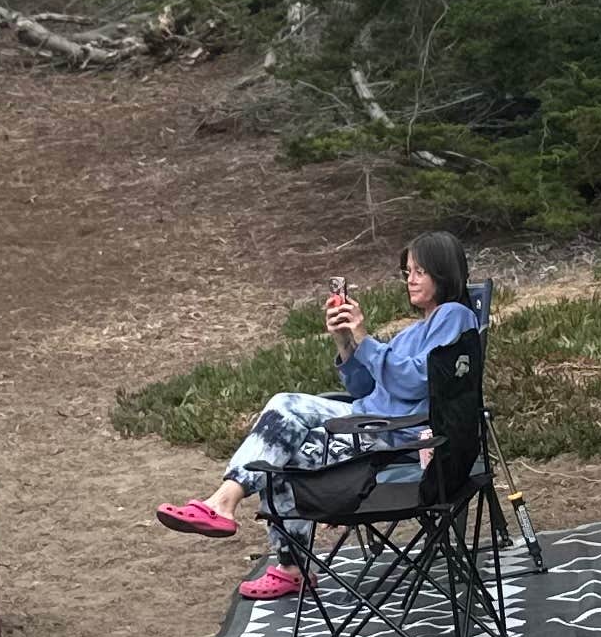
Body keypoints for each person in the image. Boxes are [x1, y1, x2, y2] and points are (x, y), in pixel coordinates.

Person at [158, 233, 478, 599]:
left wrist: (366, 337)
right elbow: (364, 386)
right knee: (279, 454)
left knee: (285, 404)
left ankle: (223, 502)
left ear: (444, 272)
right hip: (368, 424)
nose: (411, 279)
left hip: (396, 437)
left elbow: (417, 383)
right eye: (407, 271)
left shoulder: (455, 316)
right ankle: (291, 566)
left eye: (420, 271)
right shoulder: (414, 331)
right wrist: (345, 340)